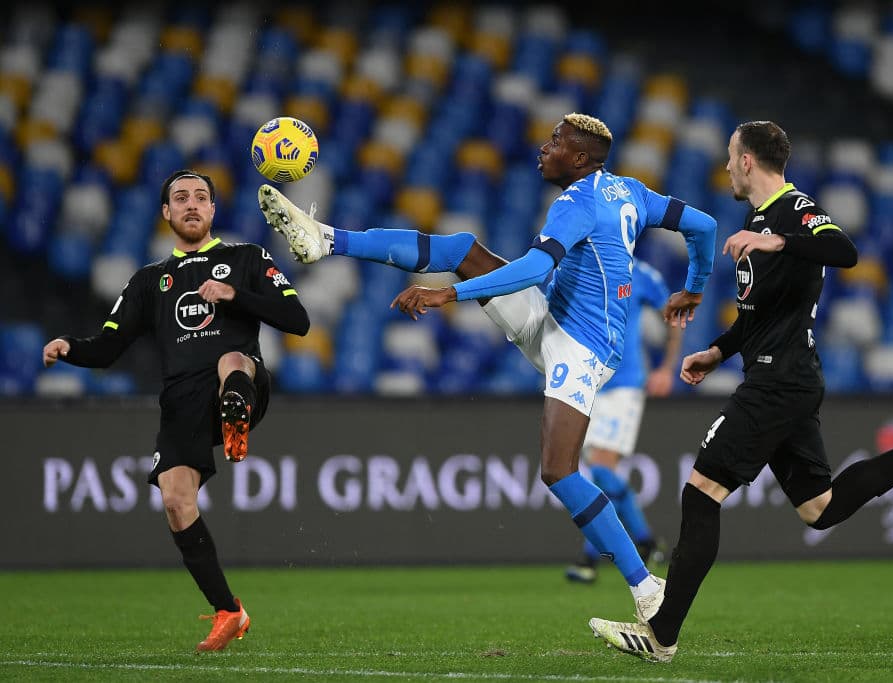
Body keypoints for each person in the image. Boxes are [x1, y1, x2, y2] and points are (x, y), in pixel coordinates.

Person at [258, 113, 718, 622]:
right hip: (556, 317)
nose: (544, 149)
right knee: (461, 248)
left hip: (580, 349)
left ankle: (646, 589)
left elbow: (538, 267)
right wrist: (694, 287)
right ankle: (326, 240)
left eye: (556, 143)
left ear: (581, 159)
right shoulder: (629, 190)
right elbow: (704, 225)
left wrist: (450, 294)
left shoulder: (577, 204)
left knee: (558, 470)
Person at [587, 120, 893, 663]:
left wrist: (777, 239)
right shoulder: (755, 219)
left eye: (731, 157)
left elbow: (844, 249)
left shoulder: (792, 208)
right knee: (820, 509)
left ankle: (662, 634)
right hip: (783, 375)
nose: (726, 166)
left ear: (749, 161)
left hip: (780, 380)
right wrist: (717, 350)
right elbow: (760, 314)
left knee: (701, 492)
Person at [41, 169, 311, 652]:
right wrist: (70, 348)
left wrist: (235, 295)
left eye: (201, 197)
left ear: (212, 210)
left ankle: (235, 416)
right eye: (180, 198)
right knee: (174, 501)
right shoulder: (149, 281)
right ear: (166, 213)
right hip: (182, 401)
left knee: (231, 361)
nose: (191, 204)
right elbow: (107, 348)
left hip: (241, 380)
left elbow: (299, 321)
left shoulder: (246, 258)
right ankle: (230, 611)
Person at [566, 258, 683, 584]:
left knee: (601, 470)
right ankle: (645, 542)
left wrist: (666, 368)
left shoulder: (642, 274)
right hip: (587, 382)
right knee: (597, 476)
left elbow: (676, 313)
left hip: (625, 384)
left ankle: (592, 560)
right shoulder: (581, 269)